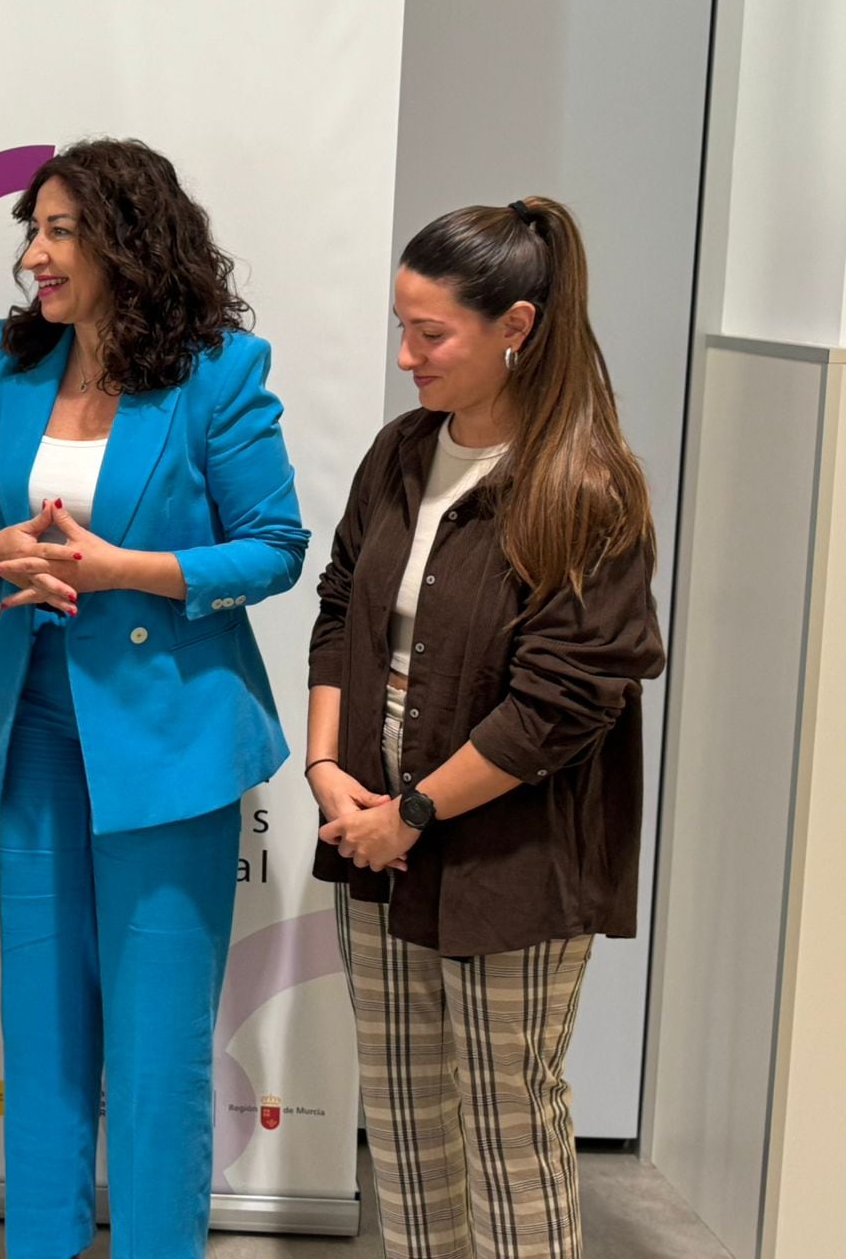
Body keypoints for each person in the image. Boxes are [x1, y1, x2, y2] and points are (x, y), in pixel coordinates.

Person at [0, 138, 309, 1259]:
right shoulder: (6, 366)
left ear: (126, 242)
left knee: (154, 1050)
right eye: (31, 232)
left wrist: (128, 572)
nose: (34, 257)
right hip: (29, 725)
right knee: (42, 1029)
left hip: (166, 736)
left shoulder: (216, 372)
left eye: (59, 232)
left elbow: (273, 548)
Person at [306, 197, 664, 1259]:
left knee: (508, 1129)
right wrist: (329, 770)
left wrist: (411, 813)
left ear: (513, 326)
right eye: (399, 328)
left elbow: (563, 702)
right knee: (407, 1132)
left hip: (510, 861)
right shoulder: (401, 455)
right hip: (374, 838)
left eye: (430, 334)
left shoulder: (584, 489)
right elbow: (338, 609)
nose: (406, 355)